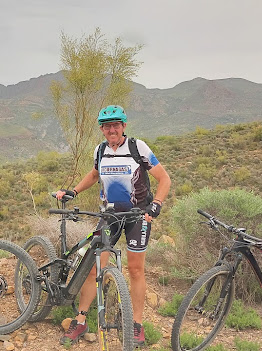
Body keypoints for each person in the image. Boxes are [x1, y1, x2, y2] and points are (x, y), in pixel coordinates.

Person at [55, 105, 171, 347]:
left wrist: (156, 204)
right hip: (110, 216)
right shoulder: (100, 150)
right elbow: (95, 174)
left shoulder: (138, 148)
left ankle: (136, 325)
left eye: (116, 125)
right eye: (107, 126)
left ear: (124, 126)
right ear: (102, 129)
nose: (112, 129)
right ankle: (81, 319)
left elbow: (164, 178)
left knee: (136, 270)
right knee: (94, 267)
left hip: (138, 216)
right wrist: (73, 191)